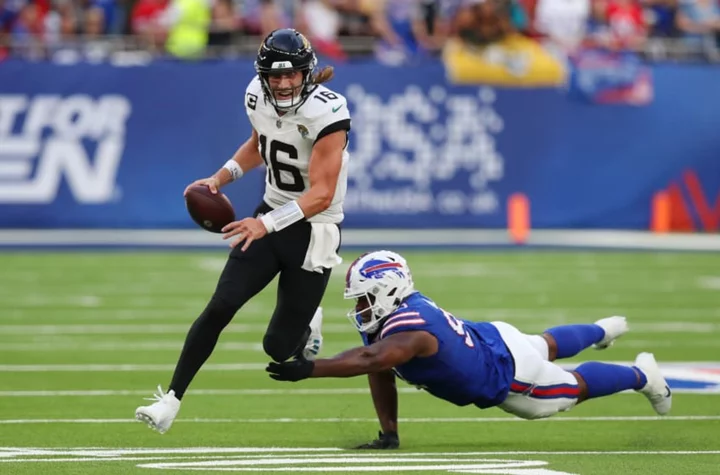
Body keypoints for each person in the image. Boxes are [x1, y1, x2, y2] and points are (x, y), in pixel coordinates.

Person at [135, 28, 352, 434]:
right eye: (275, 76)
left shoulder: (329, 113)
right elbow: (258, 143)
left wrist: (263, 223)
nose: (283, 83)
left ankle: (307, 325)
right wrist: (219, 178)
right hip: (268, 216)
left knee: (278, 347)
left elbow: (321, 195)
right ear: (263, 75)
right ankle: (171, 400)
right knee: (221, 305)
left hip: (312, 232)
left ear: (307, 72)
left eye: (291, 75)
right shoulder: (256, 93)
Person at [266, 250, 673, 449]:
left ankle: (643, 376)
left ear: (387, 290)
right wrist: (389, 433)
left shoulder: (410, 329)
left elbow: (373, 360)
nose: (359, 308)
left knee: (572, 388)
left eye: (363, 298)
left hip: (510, 378)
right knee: (544, 343)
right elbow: (378, 369)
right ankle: (601, 330)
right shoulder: (393, 320)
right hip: (493, 340)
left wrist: (309, 368)